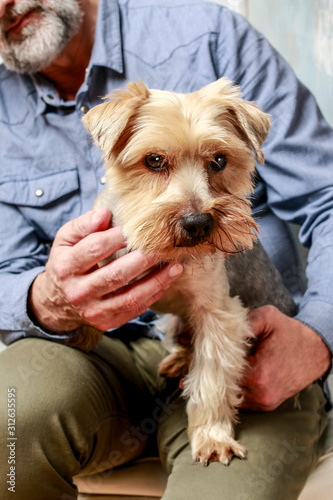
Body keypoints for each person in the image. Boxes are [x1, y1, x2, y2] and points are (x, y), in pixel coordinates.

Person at [0, 0, 332, 498]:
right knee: (8, 430)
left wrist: (319, 334)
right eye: (156, 161)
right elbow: (7, 267)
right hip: (99, 352)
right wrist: (48, 299)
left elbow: (328, 192)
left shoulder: (207, 33)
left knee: (224, 491)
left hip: (254, 341)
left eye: (218, 161)